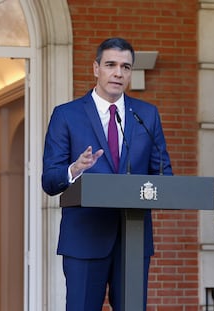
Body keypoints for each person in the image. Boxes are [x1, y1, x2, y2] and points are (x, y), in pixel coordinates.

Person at [42, 37, 173, 311]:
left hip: (133, 239)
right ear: (96, 68)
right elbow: (50, 180)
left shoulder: (146, 116)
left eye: (125, 67)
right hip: (84, 239)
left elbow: (163, 174)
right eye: (111, 65)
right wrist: (74, 169)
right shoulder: (66, 115)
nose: (118, 73)